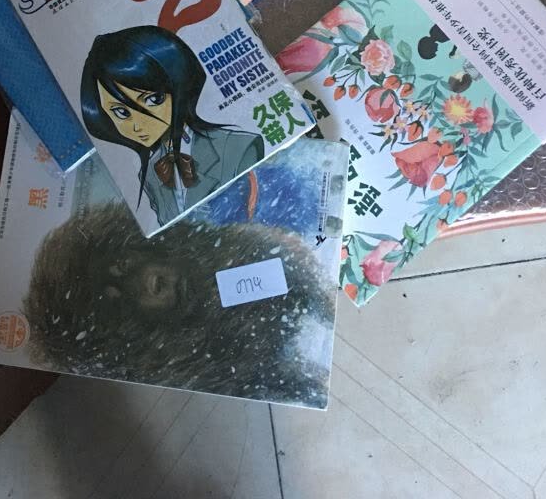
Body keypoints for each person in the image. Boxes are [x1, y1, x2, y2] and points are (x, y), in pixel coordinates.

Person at [23, 202, 334, 405]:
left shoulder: (239, 246)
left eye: (124, 264)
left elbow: (313, 279)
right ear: (122, 339)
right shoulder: (212, 383)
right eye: (115, 303)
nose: (150, 281)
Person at [80, 26, 262, 226]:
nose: (138, 125)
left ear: (180, 85)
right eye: (121, 112)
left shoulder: (238, 147)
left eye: (153, 100)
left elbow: (248, 222)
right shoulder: (150, 174)